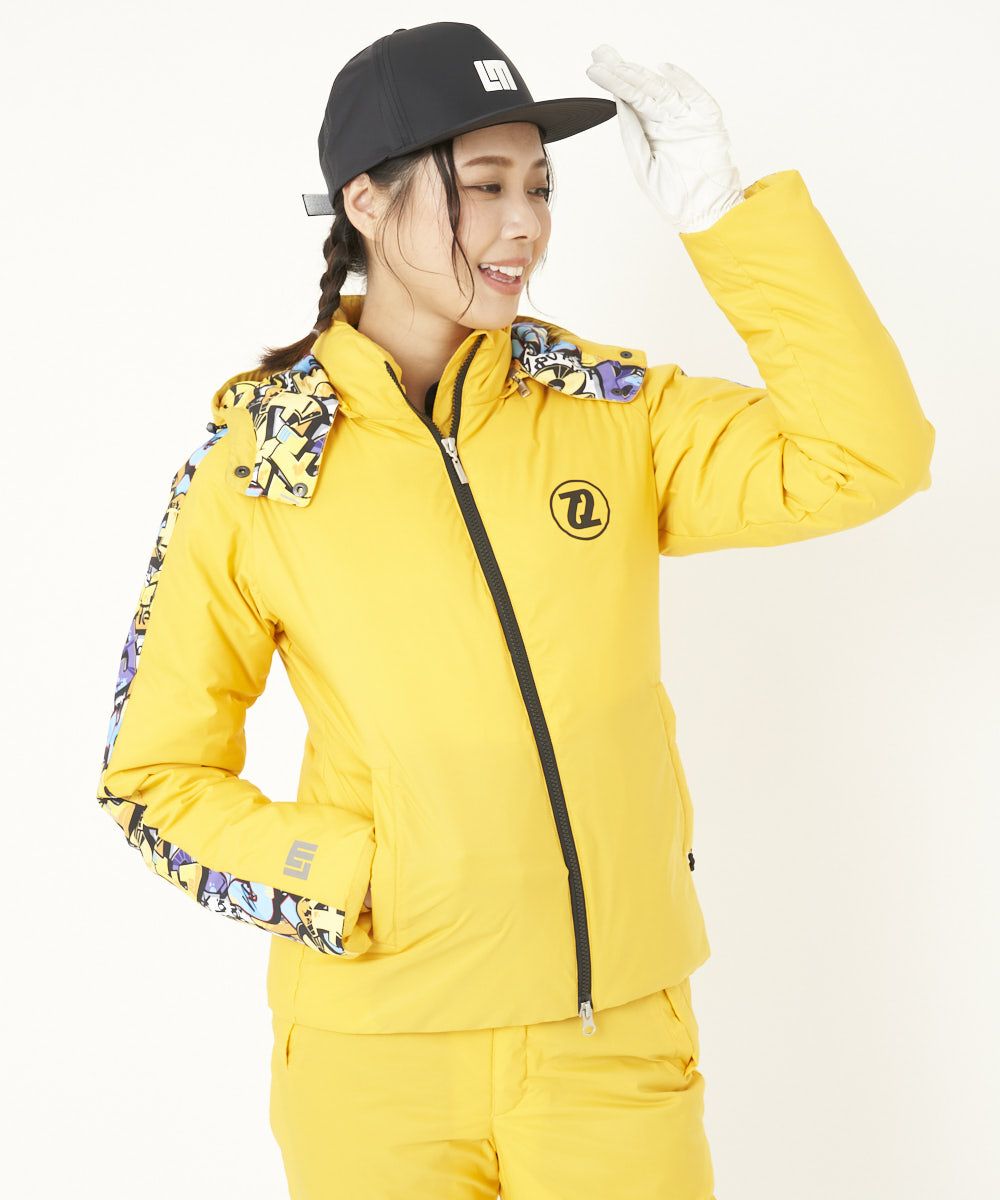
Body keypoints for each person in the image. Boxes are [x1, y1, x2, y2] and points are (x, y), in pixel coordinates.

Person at [95, 20, 935, 1200]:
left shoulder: (609, 408)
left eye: (538, 186)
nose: (524, 223)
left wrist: (722, 214)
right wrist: (346, 877)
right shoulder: (258, 463)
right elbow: (153, 777)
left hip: (611, 1039)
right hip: (376, 1055)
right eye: (482, 186)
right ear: (367, 202)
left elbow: (869, 455)